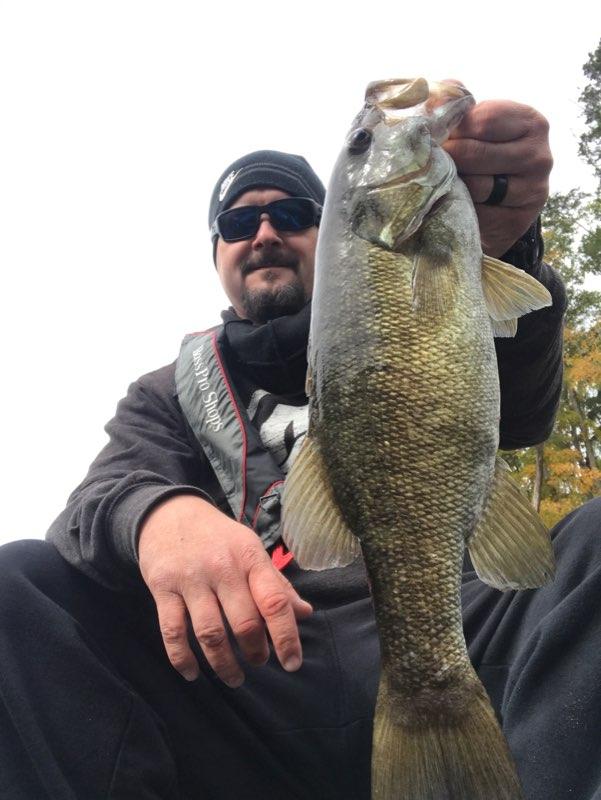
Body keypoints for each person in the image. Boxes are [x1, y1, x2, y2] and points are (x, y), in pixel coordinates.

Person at [1, 97, 598, 800]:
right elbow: (89, 512)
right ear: (216, 252)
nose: (262, 233)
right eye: (237, 222)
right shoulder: (164, 395)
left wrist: (501, 245)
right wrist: (156, 514)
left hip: (466, 626)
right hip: (250, 677)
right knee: (17, 584)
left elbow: (522, 413)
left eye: (291, 215)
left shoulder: (425, 287)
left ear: (336, 232)